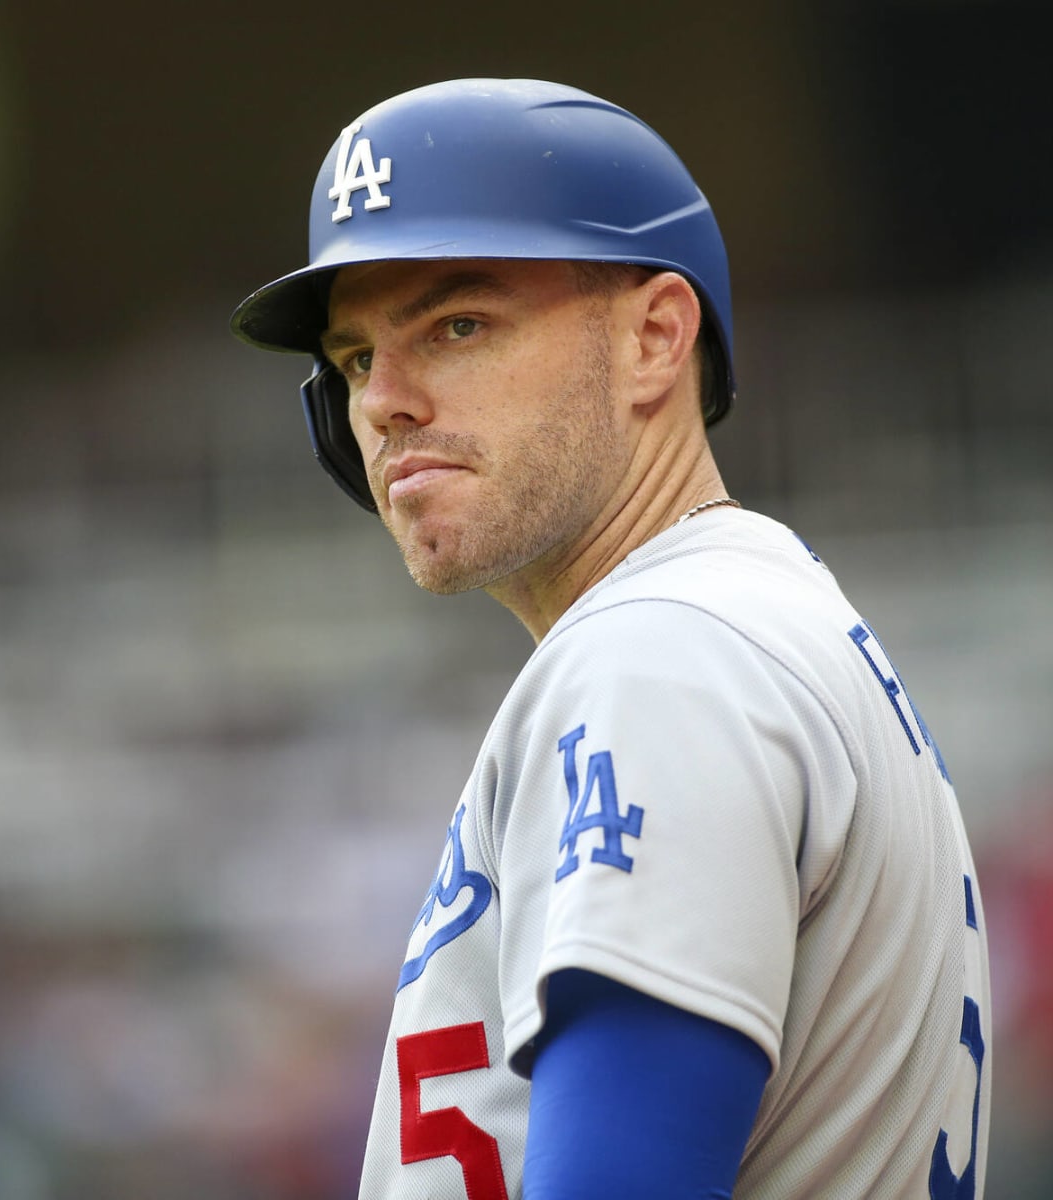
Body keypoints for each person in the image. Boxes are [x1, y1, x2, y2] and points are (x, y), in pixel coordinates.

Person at [230, 78, 991, 1199]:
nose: (383, 399)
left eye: (457, 324)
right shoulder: (747, 622)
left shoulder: (663, 655)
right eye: (352, 359)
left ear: (655, 339)